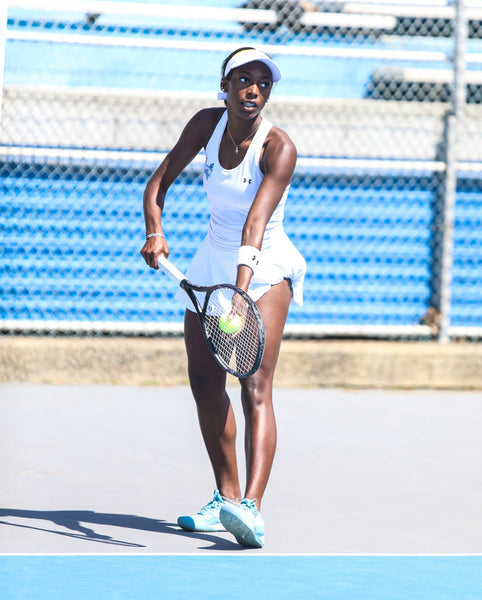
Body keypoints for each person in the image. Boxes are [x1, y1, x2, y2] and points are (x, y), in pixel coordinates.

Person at [140, 47, 306, 548]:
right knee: (204, 381)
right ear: (226, 84)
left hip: (263, 266)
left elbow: (256, 223)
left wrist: (239, 290)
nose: (253, 90)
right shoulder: (206, 124)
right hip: (210, 260)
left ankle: (251, 509)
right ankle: (225, 498)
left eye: (263, 83)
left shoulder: (279, 147)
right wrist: (155, 231)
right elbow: (158, 182)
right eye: (243, 80)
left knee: (255, 385)